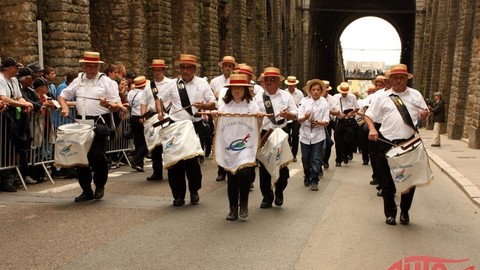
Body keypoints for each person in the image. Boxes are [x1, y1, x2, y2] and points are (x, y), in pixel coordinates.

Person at [364, 64, 429, 225]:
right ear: (390, 79)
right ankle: (390, 213)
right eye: (395, 77)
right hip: (387, 143)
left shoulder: (415, 95)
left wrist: (424, 116)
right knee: (387, 182)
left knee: (408, 181)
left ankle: (405, 211)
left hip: (409, 144)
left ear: (407, 78)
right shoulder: (382, 97)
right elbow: (368, 115)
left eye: (402, 77)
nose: (399, 80)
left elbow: (424, 115)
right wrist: (372, 129)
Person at [58, 51, 127, 202]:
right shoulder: (78, 80)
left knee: (97, 156)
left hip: (99, 123)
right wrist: (64, 107)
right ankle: (86, 190)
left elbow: (116, 106)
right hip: (81, 124)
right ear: (83, 66)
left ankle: (100, 185)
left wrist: (107, 104)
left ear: (98, 66)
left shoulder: (107, 82)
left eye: (94, 66)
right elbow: (62, 95)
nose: (91, 70)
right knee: (80, 158)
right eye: (88, 66)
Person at [156, 54, 216, 207]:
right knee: (174, 162)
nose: (185, 70)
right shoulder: (172, 84)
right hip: (176, 126)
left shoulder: (202, 83)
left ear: (194, 69)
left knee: (191, 162)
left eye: (189, 67)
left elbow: (213, 103)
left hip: (193, 125)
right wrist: (160, 112)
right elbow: (159, 99)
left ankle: (194, 190)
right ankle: (178, 195)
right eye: (183, 67)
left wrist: (203, 106)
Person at [212, 73, 263, 220]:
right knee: (232, 176)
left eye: (240, 87)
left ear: (245, 89)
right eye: (234, 87)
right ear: (230, 89)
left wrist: (259, 119)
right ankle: (233, 208)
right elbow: (218, 127)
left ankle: (244, 203)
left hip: (246, 145)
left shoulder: (252, 106)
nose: (237, 90)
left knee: (245, 174)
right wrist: (215, 117)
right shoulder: (224, 106)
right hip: (229, 145)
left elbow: (257, 128)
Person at [253, 67, 298, 208]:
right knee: (264, 166)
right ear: (263, 82)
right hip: (265, 134)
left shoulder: (286, 96)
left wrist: (288, 115)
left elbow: (295, 113)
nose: (270, 82)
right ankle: (267, 196)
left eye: (273, 79)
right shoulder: (258, 98)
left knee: (282, 166)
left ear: (279, 81)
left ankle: (279, 191)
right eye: (267, 79)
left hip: (281, 132)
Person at [0, 57, 34, 192]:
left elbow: (18, 96)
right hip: (6, 117)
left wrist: (25, 103)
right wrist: (22, 104)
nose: (18, 70)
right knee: (5, 146)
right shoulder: (1, 79)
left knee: (16, 145)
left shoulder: (14, 80)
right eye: (16, 67)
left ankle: (12, 175)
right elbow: (3, 98)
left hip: (17, 117)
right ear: (9, 68)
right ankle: (5, 177)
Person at [142, 59, 173, 181]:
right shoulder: (148, 86)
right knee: (155, 146)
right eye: (155, 70)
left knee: (169, 143)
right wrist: (143, 116)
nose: (157, 72)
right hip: (152, 116)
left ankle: (173, 170)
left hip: (167, 115)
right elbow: (144, 102)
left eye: (159, 70)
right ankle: (157, 172)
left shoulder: (171, 83)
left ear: (164, 70)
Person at [297, 79, 330, 191]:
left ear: (321, 91)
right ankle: (307, 174)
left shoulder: (324, 103)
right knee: (306, 158)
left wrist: (318, 123)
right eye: (313, 89)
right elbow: (299, 119)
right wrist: (306, 117)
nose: (315, 92)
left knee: (316, 158)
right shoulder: (304, 102)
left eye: (318, 90)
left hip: (318, 135)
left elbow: (326, 121)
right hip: (305, 135)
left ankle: (314, 180)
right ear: (310, 91)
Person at [210, 55, 237, 182]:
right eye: (225, 65)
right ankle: (221, 171)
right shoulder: (215, 82)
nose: (227, 68)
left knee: (232, 142)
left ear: (233, 67)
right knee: (220, 142)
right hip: (219, 115)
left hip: (233, 115)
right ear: (222, 67)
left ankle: (232, 166)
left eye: (229, 66)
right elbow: (209, 99)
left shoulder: (236, 80)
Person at [333, 82, 359, 167]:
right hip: (340, 120)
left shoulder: (352, 97)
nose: (344, 93)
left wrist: (351, 113)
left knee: (349, 139)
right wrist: (338, 114)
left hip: (349, 121)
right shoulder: (335, 97)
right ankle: (338, 160)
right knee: (338, 141)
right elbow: (332, 108)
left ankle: (347, 154)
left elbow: (357, 107)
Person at [128, 76, 149, 172]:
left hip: (133, 118)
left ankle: (139, 164)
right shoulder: (143, 94)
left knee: (138, 141)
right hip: (141, 118)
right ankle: (136, 161)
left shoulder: (131, 93)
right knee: (145, 143)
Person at [283, 76, 304, 162]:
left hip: (295, 117)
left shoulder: (300, 94)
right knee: (286, 136)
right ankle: (287, 154)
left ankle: (293, 154)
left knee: (295, 135)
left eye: (292, 85)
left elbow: (302, 106)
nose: (291, 86)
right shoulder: (284, 93)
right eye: (289, 85)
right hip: (286, 117)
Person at [321, 80, 338, 169]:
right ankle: (318, 164)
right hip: (317, 123)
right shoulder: (316, 97)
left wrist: (328, 111)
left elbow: (336, 111)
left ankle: (325, 160)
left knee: (328, 143)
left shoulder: (332, 99)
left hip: (328, 123)